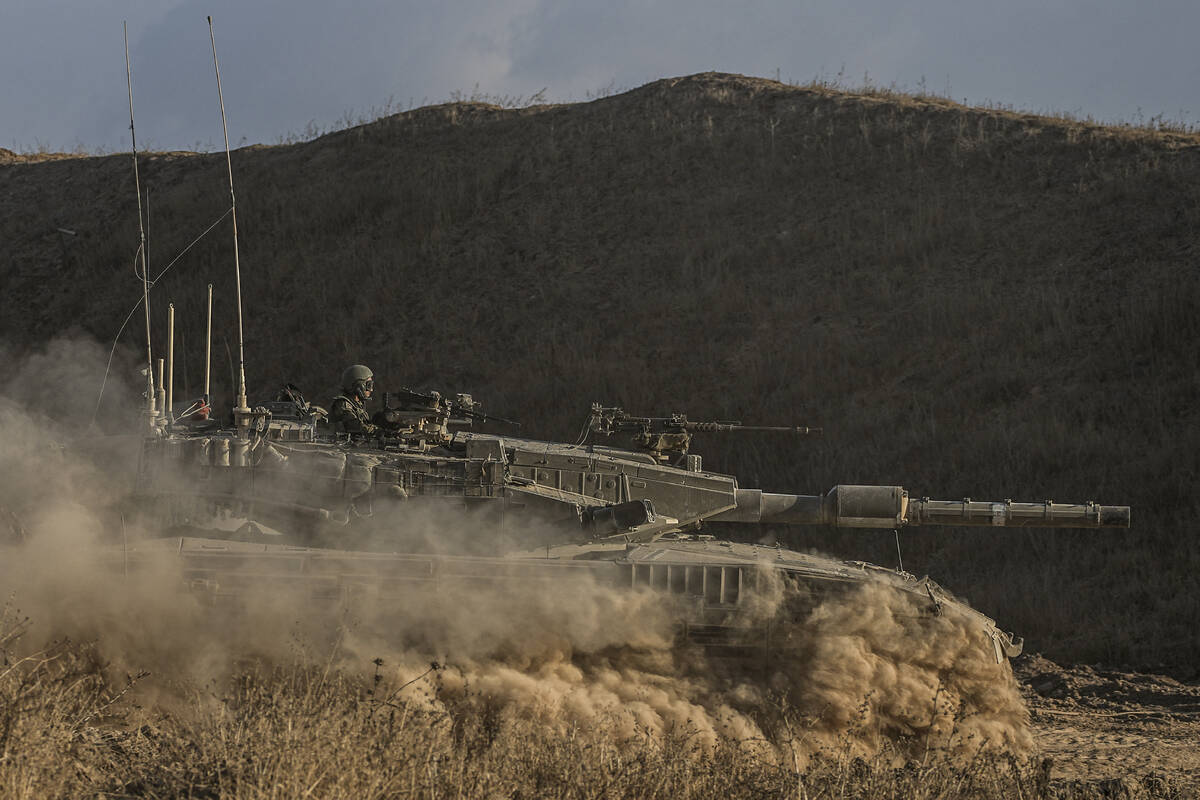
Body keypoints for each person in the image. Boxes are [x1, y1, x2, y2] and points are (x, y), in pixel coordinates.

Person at [329, 364, 379, 436]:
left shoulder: (357, 405)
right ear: (358, 386)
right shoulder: (342, 404)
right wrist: (376, 431)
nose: (371, 390)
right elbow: (354, 425)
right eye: (369, 385)